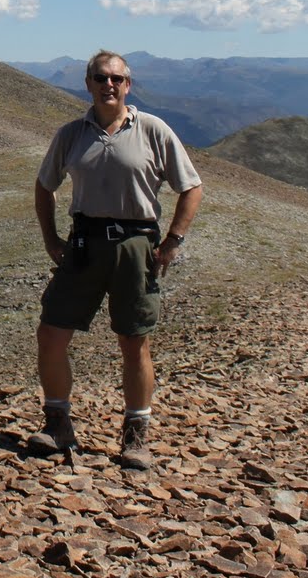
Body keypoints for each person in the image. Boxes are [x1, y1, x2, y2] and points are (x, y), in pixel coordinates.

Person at [32, 50, 202, 470]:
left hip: (136, 244)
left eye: (117, 79)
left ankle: (136, 435)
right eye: (100, 77)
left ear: (129, 85)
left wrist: (173, 240)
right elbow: (44, 186)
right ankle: (57, 425)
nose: (110, 85)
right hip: (84, 243)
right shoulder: (71, 134)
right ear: (87, 83)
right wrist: (51, 237)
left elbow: (191, 187)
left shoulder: (153, 130)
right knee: (51, 334)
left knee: (134, 341)